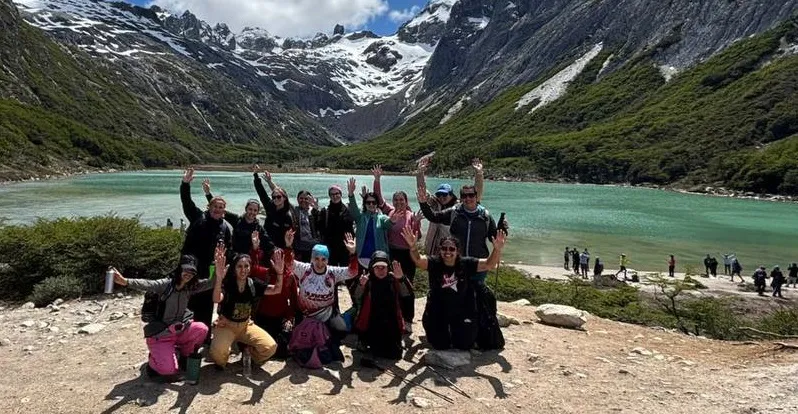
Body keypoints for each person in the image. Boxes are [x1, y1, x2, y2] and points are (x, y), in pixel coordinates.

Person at [403, 226, 506, 350]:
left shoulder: (466, 263)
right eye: (444, 248)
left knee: (464, 344)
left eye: (451, 249)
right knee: (440, 345)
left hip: (462, 310)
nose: (448, 252)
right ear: (439, 250)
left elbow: (489, 264)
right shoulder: (434, 263)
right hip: (438, 310)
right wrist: (413, 247)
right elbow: (418, 260)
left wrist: (497, 249)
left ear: (457, 251)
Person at [110, 255, 211, 382]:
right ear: (179, 269)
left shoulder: (190, 287)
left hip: (180, 329)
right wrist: (125, 281)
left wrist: (220, 272)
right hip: (161, 333)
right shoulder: (166, 284)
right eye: (186, 270)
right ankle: (153, 363)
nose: (188, 274)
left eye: (192, 271)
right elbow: (147, 284)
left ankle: (183, 355)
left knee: (201, 329)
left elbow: (209, 283)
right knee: (168, 371)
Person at [209, 243, 286, 369]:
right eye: (239, 266)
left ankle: (249, 356)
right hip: (226, 325)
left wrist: (280, 273)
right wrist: (219, 278)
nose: (243, 269)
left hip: (246, 326)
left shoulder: (253, 283)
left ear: (250, 268)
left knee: (270, 347)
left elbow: (276, 290)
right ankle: (224, 358)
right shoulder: (228, 283)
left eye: (246, 266)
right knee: (218, 354)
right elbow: (216, 298)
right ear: (234, 268)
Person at [287, 230, 359, 361]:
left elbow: (352, 272)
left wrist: (353, 253)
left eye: (323, 259)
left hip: (327, 314)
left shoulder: (332, 272)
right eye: (316, 259)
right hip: (305, 315)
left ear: (328, 259)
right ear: (311, 258)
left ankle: (327, 341)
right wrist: (288, 246)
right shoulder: (304, 269)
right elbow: (289, 263)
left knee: (342, 330)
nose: (320, 263)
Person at [179, 169, 233, 334]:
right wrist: (185, 184)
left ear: (224, 211)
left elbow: (228, 249)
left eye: (221, 208)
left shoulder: (225, 227)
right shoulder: (197, 217)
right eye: (215, 206)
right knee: (189, 301)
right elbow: (186, 202)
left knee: (208, 302)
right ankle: (185, 334)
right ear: (209, 207)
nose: (218, 209)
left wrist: (225, 267)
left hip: (210, 269)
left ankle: (204, 334)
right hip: (192, 268)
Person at [372, 165, 422, 333]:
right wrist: (377, 180)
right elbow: (378, 198)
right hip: (392, 253)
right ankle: (396, 314)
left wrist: (417, 222)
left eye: (402, 200)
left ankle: (408, 319)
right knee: (393, 285)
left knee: (407, 287)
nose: (399, 202)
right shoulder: (390, 211)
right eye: (396, 200)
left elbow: (417, 237)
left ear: (406, 202)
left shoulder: (411, 215)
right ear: (393, 202)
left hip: (407, 255)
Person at [415, 156, 484, 256]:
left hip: (454, 251)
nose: (441, 197)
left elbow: (476, 196)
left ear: (451, 195)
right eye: (439, 194)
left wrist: (479, 174)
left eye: (444, 194)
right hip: (435, 249)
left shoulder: (460, 207)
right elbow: (422, 192)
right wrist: (420, 173)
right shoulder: (435, 204)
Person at [353, 252, 412, 359]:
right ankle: (363, 341)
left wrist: (401, 279)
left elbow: (407, 294)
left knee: (394, 354)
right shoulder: (367, 280)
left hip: (391, 322)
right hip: (371, 322)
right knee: (375, 352)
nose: (380, 271)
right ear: (372, 268)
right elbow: (356, 296)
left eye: (383, 267)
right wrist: (361, 285)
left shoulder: (394, 279)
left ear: (388, 267)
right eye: (377, 268)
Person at [249, 231, 298, 359]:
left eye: (280, 259)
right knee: (262, 347)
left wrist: (289, 317)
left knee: (282, 352)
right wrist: (255, 248)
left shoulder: (290, 277)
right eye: (274, 259)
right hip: (263, 316)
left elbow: (294, 301)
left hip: (280, 317)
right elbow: (252, 268)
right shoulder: (264, 273)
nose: (278, 263)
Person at [203, 178, 275, 258]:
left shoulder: (259, 228)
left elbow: (268, 243)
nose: (252, 212)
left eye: (255, 210)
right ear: (246, 209)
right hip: (235, 257)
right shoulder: (237, 220)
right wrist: (208, 193)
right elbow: (219, 209)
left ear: (257, 212)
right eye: (250, 209)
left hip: (249, 259)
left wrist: (276, 250)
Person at [347, 177, 392, 271]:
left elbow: (388, 223)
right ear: (365, 204)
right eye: (368, 202)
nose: (371, 204)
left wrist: (393, 220)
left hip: (379, 259)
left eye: (374, 202)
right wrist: (351, 194)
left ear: (377, 204)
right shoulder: (360, 218)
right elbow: (354, 209)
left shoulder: (381, 218)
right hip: (362, 258)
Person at [253, 169, 295, 250]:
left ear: (284, 198)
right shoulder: (270, 206)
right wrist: (255, 175)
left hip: (279, 248)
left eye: (279, 197)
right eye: (274, 197)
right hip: (265, 244)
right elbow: (261, 192)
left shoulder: (288, 216)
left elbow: (289, 236)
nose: (276, 199)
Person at [317, 184, 355, 266]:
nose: (335, 196)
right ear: (329, 196)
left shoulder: (348, 210)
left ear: (341, 194)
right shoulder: (325, 211)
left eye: (337, 193)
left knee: (346, 274)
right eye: (332, 194)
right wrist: (315, 211)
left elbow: (351, 228)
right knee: (331, 276)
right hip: (329, 249)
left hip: (345, 248)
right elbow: (319, 228)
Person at [293, 190, 321, 262]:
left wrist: (316, 207)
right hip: (299, 246)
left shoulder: (315, 211)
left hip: (314, 246)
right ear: (297, 199)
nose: (303, 200)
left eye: (306, 199)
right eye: (301, 198)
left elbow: (321, 223)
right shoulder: (295, 210)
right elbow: (284, 197)